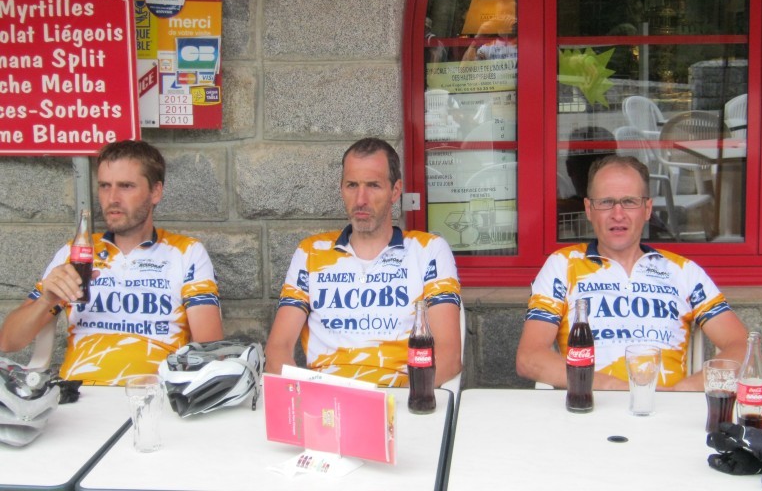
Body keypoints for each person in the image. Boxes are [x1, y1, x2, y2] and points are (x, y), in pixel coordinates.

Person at [0, 140, 224, 385]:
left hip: (155, 395)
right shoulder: (77, 253)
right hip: (79, 392)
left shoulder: (186, 252)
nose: (112, 198)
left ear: (155, 192)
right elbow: (9, 342)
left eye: (126, 186)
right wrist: (47, 300)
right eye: (105, 186)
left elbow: (208, 348)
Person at [516, 154, 748, 391]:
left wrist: (683, 392)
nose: (618, 214)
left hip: (668, 413)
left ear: (647, 209)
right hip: (590, 409)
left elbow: (742, 346)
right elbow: (529, 357)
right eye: (606, 202)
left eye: (629, 202)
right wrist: (619, 390)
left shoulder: (683, 272)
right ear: (589, 209)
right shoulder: (563, 266)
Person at [265, 137, 462, 387]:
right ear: (341, 189)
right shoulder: (311, 252)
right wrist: (297, 397)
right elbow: (277, 349)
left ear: (395, 191)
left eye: (373, 185)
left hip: (400, 397)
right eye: (351, 185)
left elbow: (449, 355)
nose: (360, 199)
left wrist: (407, 401)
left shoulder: (428, 251)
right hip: (325, 403)